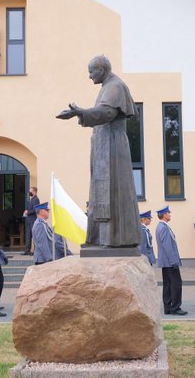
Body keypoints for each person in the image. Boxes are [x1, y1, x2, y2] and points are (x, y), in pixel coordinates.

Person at [56, 55, 140, 248]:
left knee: (112, 190)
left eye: (91, 72)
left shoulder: (115, 87)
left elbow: (107, 113)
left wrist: (80, 112)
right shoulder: (108, 87)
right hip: (104, 145)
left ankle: (113, 239)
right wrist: (81, 113)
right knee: (100, 192)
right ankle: (101, 238)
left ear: (101, 70)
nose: (89, 76)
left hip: (112, 146)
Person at [155, 206, 187, 315]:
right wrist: (174, 261)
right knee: (176, 283)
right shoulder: (163, 227)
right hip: (169, 261)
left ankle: (168, 307)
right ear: (164, 215)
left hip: (166, 261)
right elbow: (167, 246)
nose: (170, 214)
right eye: (169, 213)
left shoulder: (161, 226)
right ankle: (175, 307)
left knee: (168, 284)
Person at [22, 187, 40, 255]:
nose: (29, 193)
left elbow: (35, 210)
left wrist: (27, 212)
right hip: (29, 220)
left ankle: (36, 251)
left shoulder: (36, 199)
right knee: (28, 236)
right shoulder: (32, 199)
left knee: (34, 236)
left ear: (34, 192)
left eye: (30, 191)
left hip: (33, 220)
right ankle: (27, 250)